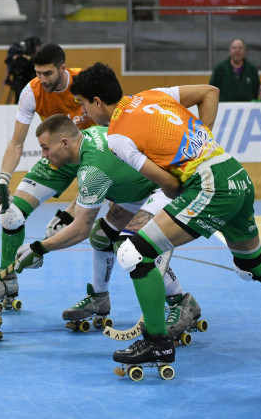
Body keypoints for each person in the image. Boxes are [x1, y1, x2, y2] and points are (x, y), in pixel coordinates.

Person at [29, 61, 261, 370]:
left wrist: (181, 187)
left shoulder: (117, 137)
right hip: (234, 172)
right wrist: (202, 142)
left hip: (209, 186)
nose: (84, 113)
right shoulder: (153, 95)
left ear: (98, 101)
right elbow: (210, 92)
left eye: (84, 104)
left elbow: (167, 183)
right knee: (253, 261)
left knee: (132, 252)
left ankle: (157, 343)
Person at [19, 114, 203, 337]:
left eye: (45, 148)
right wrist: (67, 214)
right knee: (101, 236)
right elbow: (95, 189)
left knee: (131, 247)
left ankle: (181, 301)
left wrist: (39, 248)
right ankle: (99, 299)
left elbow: (80, 229)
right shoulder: (89, 135)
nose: (44, 156)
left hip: (162, 190)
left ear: (65, 142)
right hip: (135, 192)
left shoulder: (92, 170)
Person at [0, 43, 94, 306]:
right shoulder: (31, 92)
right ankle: (7, 279)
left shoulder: (85, 82)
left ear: (63, 68)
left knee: (86, 229)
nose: (42, 79)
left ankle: (98, 295)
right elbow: (16, 143)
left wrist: (70, 209)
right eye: (37, 72)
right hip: (58, 157)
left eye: (47, 73)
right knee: (10, 216)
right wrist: (3, 179)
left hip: (93, 153)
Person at [4, 36, 42, 103]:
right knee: (20, 99)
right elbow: (10, 64)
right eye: (37, 47)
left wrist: (30, 59)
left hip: (32, 80)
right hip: (20, 80)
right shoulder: (20, 56)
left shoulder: (35, 58)